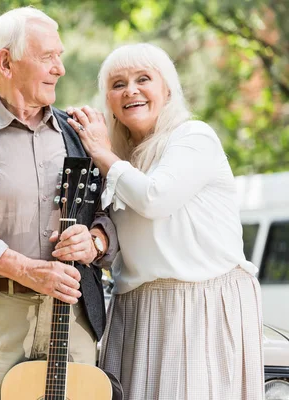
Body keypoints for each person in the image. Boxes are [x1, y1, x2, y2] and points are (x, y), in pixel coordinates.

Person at [0, 6, 118, 400]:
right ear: (6, 62)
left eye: (60, 56)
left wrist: (97, 240)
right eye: (48, 56)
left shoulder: (82, 134)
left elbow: (114, 215)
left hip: (70, 315)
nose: (60, 69)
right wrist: (25, 269)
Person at [65, 42, 264, 399]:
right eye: (118, 84)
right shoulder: (122, 160)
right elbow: (117, 235)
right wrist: (96, 240)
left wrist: (101, 152)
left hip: (199, 304)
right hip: (136, 307)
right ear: (108, 100)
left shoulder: (193, 137)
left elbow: (155, 199)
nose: (131, 90)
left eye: (144, 79)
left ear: (167, 89)